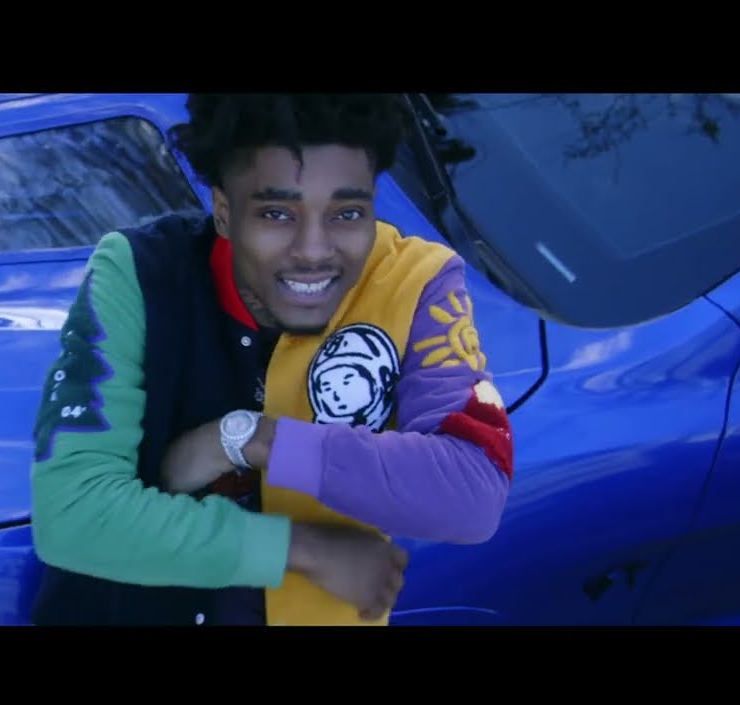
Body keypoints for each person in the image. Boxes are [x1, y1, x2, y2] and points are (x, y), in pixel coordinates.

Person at [28, 93, 513, 626]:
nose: (313, 250)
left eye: (347, 213)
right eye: (277, 213)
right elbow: (73, 515)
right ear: (223, 211)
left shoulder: (415, 282)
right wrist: (301, 550)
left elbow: (474, 492)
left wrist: (251, 438)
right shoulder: (140, 272)